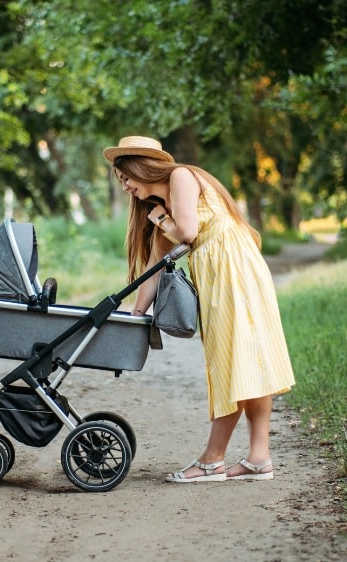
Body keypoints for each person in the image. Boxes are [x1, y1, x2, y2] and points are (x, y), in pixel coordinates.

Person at [102, 135, 296, 482]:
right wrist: (136, 313)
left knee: (234, 361)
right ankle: (258, 458)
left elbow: (188, 233)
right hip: (228, 273)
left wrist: (161, 218)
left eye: (126, 177)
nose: (126, 186)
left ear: (141, 167)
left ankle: (212, 460)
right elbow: (155, 265)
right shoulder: (166, 208)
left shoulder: (180, 178)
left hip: (232, 273)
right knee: (246, 360)